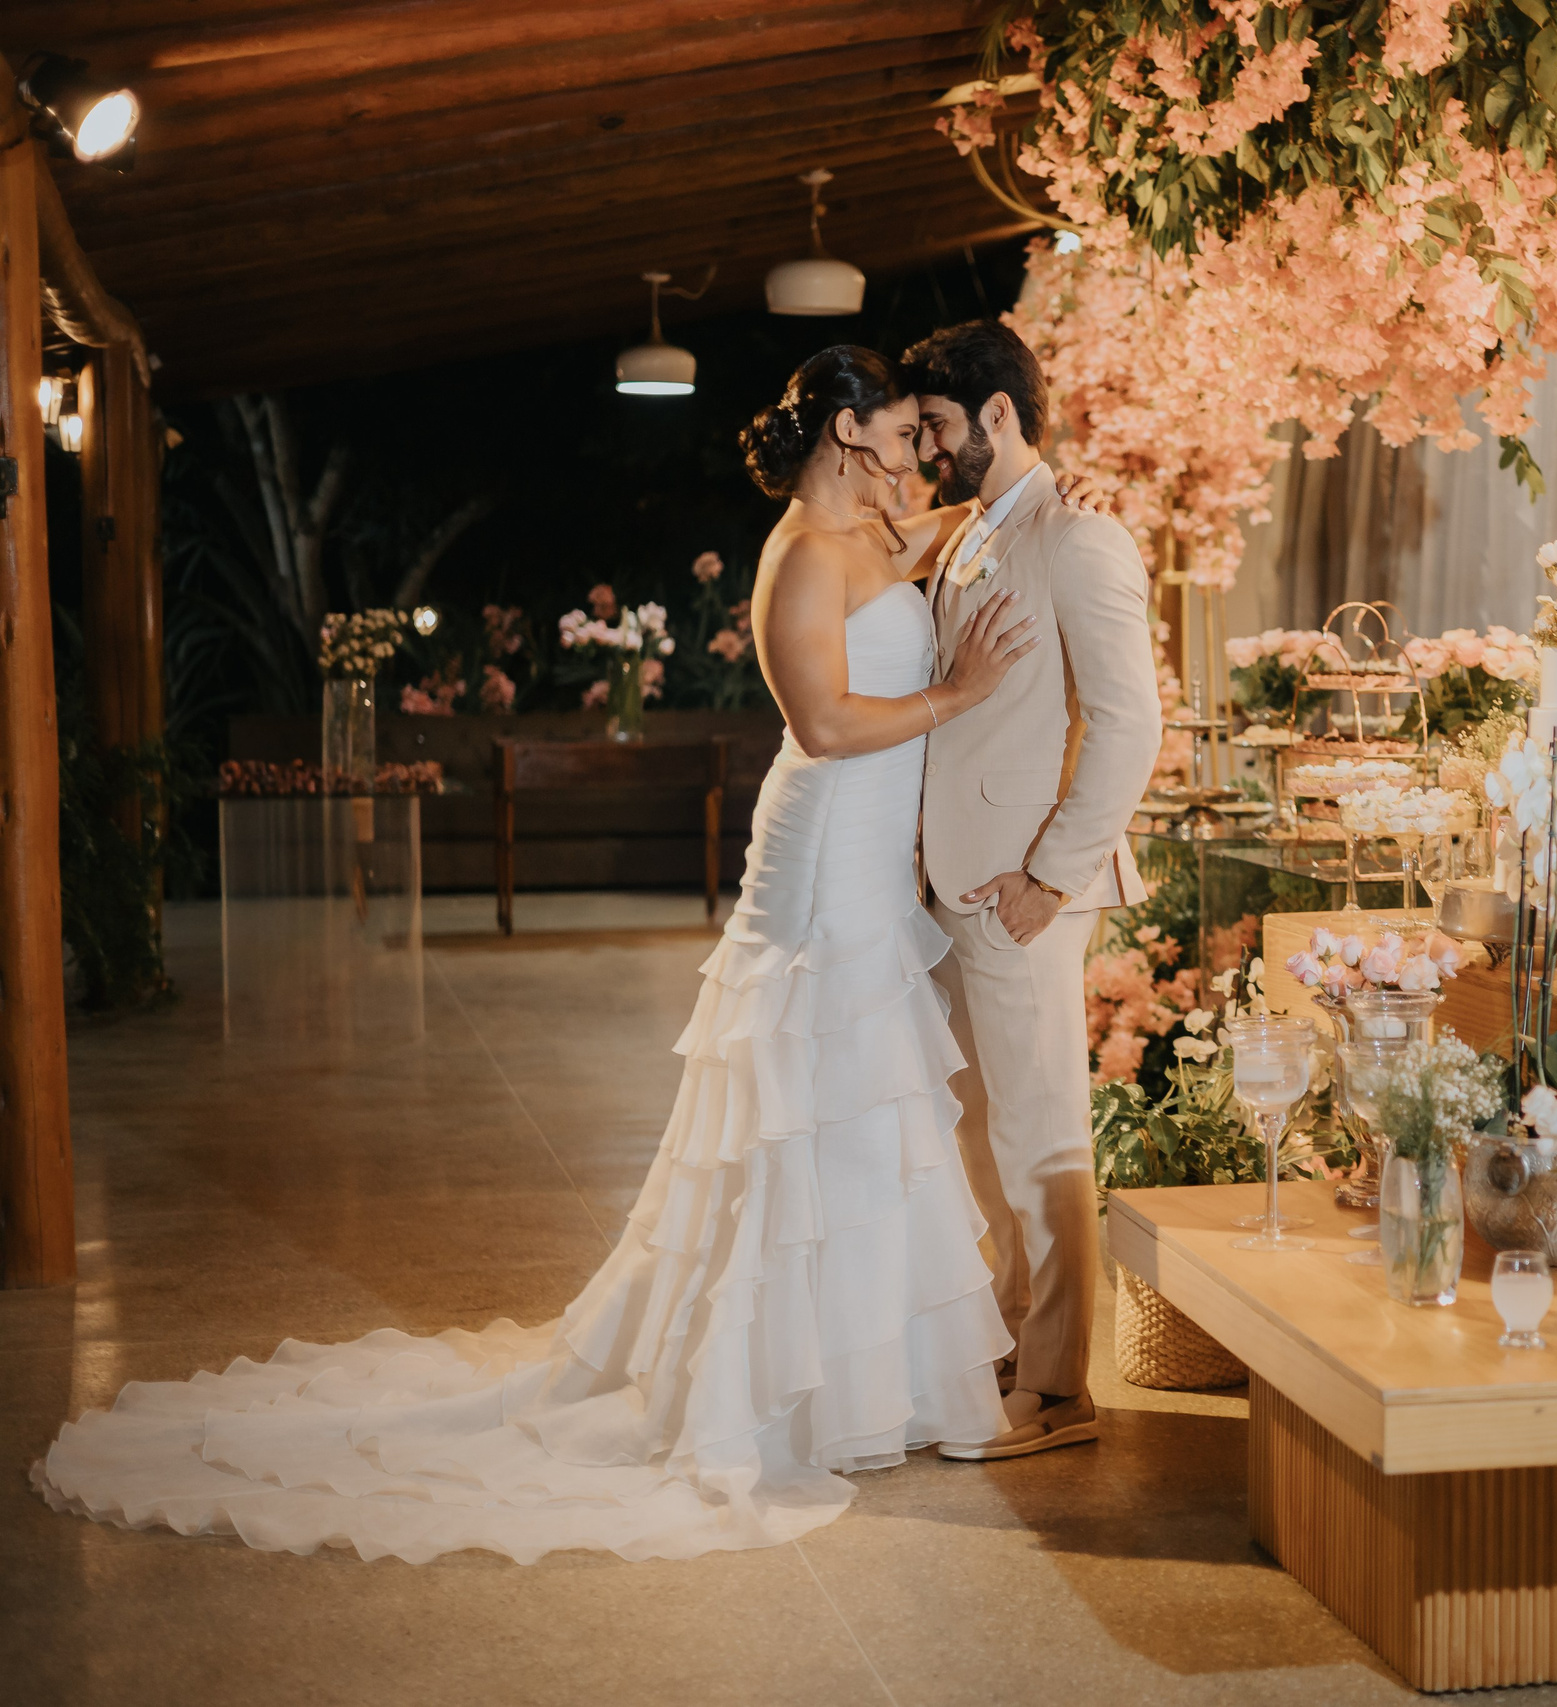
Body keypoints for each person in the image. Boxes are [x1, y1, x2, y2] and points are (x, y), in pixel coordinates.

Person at [29, 346, 1099, 1563]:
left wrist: (1040, 492)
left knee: (860, 1105)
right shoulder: (802, 553)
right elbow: (823, 722)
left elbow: (954, 527)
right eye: (905, 434)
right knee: (810, 1095)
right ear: (848, 434)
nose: (921, 456)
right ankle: (782, 1384)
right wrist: (960, 693)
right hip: (823, 850)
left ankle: (871, 1378)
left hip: (869, 853)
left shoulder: (870, 533)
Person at [900, 321, 1160, 1461]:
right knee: (983, 1131)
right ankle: (1010, 1342)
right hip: (956, 883)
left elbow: (1129, 723)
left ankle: (1057, 1387)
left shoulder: (1080, 538)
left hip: (1024, 889)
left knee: (1042, 1126)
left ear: (997, 413)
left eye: (937, 426)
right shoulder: (966, 535)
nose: (927, 449)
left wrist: (1051, 878)